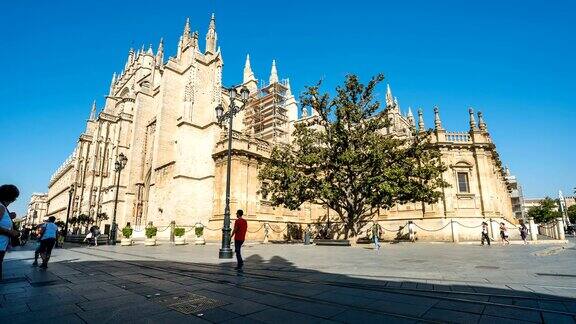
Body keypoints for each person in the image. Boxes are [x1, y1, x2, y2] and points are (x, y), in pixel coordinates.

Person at [0, 184, 21, 281]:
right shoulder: (1, 207)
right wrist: (10, 232)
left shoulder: (3, 207)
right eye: (15, 198)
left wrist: (9, 216)